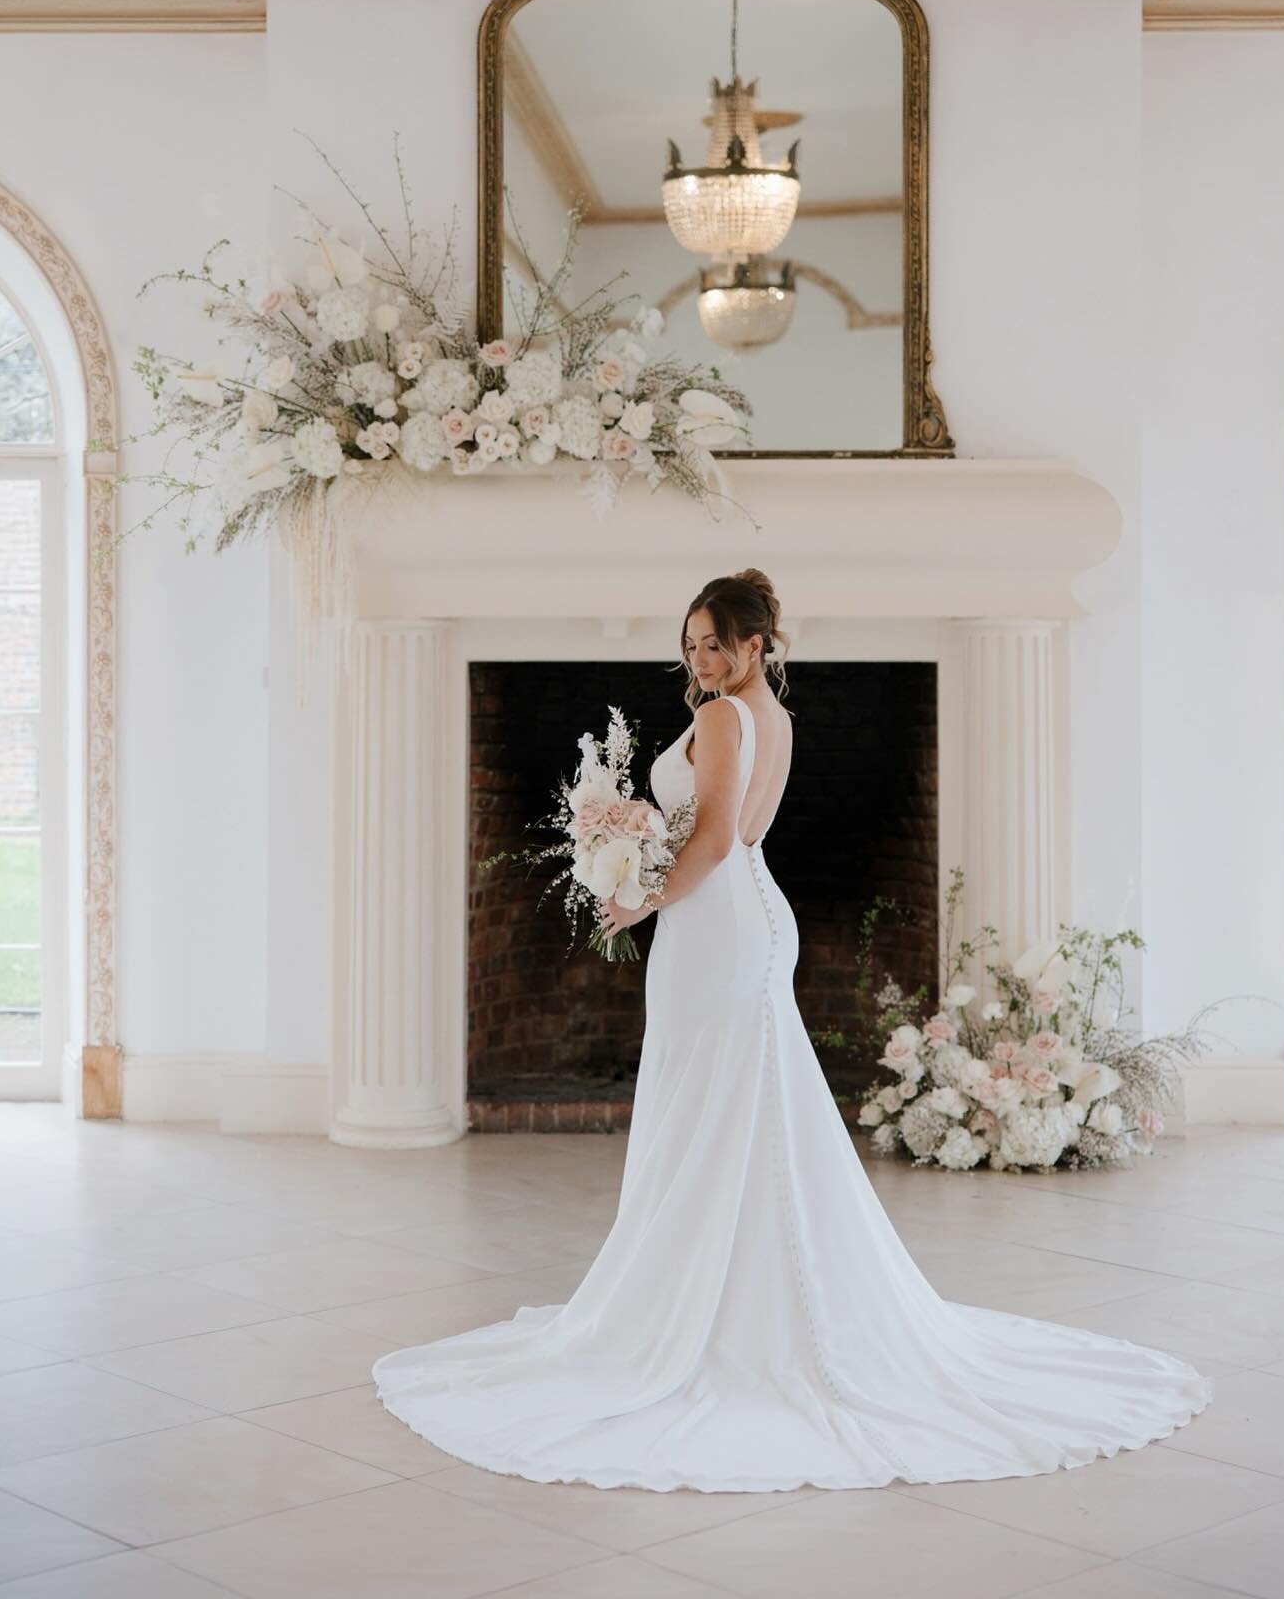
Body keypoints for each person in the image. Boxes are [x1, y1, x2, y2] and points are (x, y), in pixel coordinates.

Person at [371, 568, 1213, 1491]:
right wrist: (637, 840)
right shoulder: (767, 715)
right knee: (731, 1105)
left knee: (717, 1105)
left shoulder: (730, 717)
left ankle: (721, 1318)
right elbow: (722, 829)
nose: (698, 659)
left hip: (718, 919)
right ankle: (731, 1290)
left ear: (756, 645)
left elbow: (717, 838)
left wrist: (637, 897)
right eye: (689, 644)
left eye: (714, 645)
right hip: (739, 917)